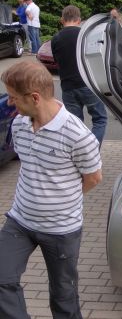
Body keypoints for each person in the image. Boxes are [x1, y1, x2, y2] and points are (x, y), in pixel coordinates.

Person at [0, 61, 102, 319]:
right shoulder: (20, 125)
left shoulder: (78, 136)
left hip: (61, 230)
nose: (10, 103)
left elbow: (93, 178)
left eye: (13, 98)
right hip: (20, 222)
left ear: (34, 98)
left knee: (63, 297)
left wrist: (60, 201)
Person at [51, 5, 108, 146]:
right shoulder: (86, 36)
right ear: (79, 20)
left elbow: (57, 62)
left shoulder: (55, 39)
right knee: (100, 119)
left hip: (67, 87)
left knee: (74, 126)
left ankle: (77, 155)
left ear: (62, 20)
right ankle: (92, 152)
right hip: (87, 84)